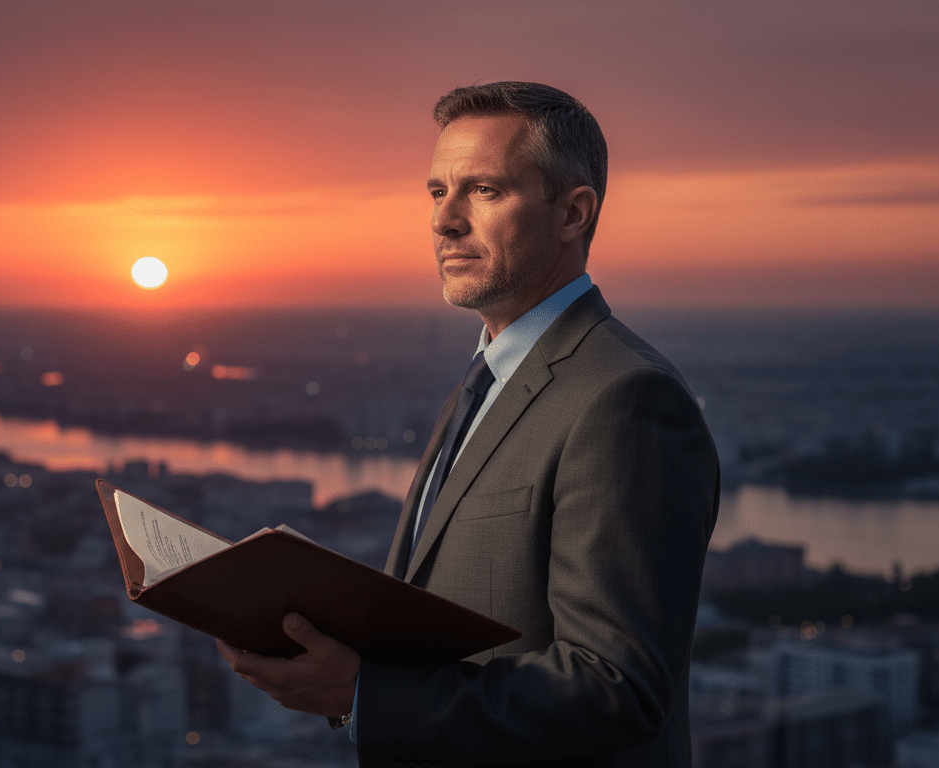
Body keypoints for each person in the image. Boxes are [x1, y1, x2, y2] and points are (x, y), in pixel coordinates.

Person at [217, 81, 720, 767]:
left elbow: (617, 687)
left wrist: (365, 692)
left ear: (573, 213)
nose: (445, 221)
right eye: (436, 192)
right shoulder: (489, 379)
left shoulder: (625, 397)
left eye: (484, 191)